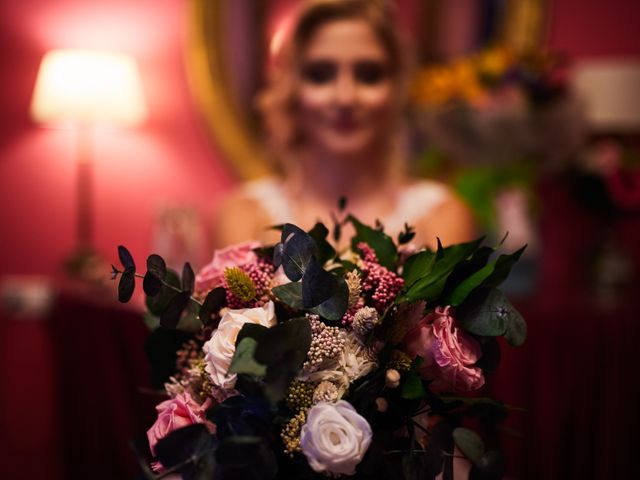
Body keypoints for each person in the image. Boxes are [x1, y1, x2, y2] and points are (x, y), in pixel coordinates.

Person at [213, 0, 476, 249]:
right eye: (321, 75)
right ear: (291, 88)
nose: (345, 97)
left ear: (397, 88)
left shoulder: (441, 217)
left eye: (368, 75)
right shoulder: (246, 217)